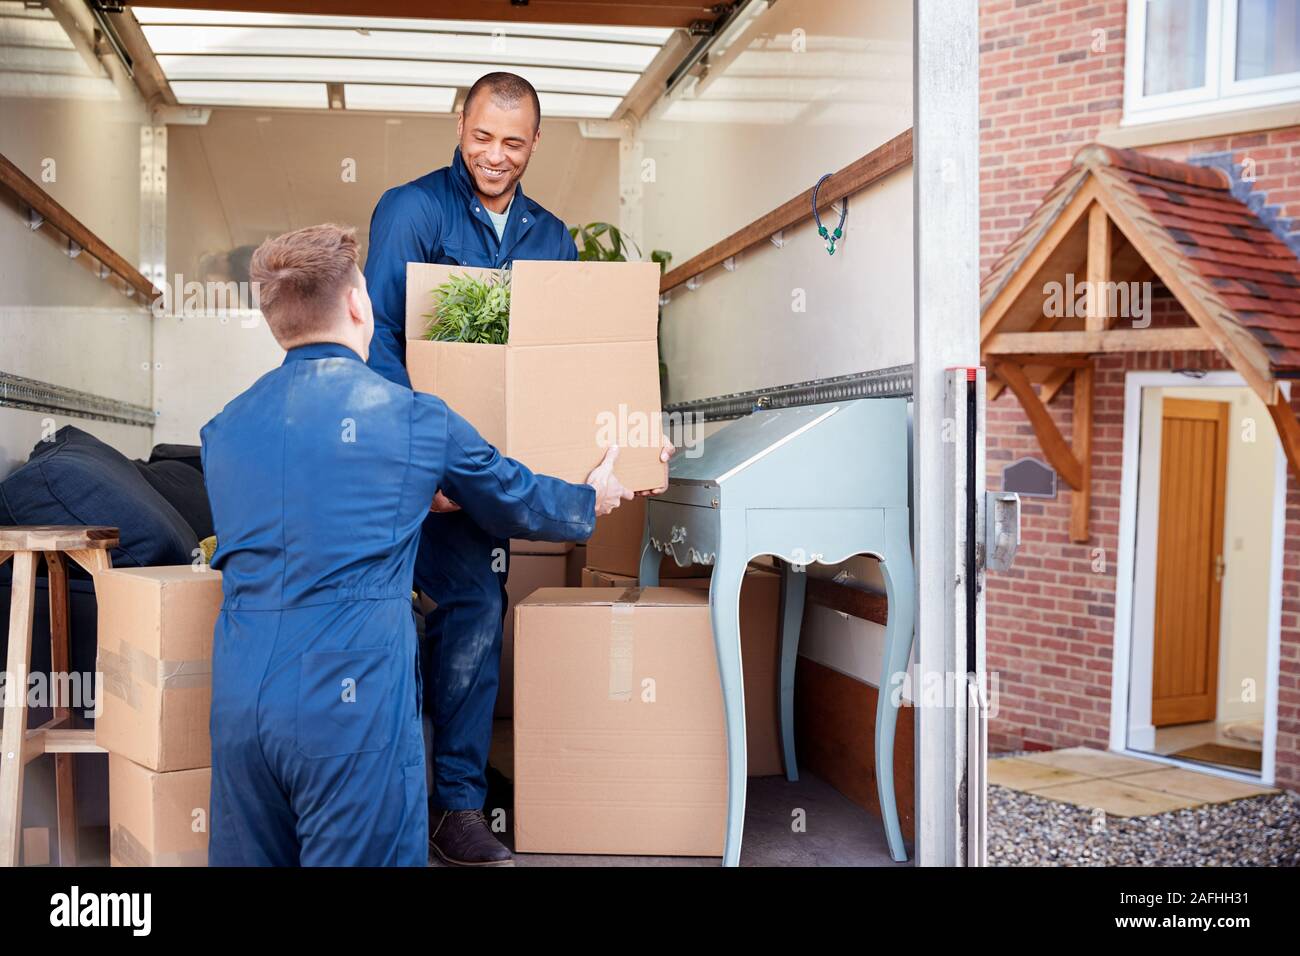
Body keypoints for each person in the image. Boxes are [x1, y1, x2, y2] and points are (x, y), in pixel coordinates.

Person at [202, 223, 631, 866]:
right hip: (348, 698)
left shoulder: (223, 428)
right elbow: (511, 494)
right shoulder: (413, 418)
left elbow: (308, 502)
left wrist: (410, 487)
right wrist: (588, 497)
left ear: (275, 321)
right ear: (357, 303)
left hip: (239, 697)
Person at [363, 71, 671, 865]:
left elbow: (558, 366)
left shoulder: (551, 238)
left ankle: (457, 806)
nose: (494, 156)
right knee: (381, 620)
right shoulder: (413, 210)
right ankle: (389, 799)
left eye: (513, 142)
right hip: (412, 470)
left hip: (491, 473)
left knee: (475, 609)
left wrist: (616, 443)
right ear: (458, 125)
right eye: (481, 137)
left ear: (535, 143)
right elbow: (381, 343)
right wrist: (417, 463)